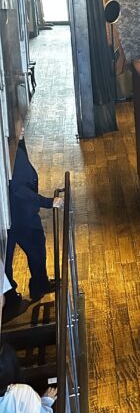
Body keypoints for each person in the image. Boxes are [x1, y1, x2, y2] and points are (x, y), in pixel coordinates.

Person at [3, 130, 62, 317]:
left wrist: (20, 142)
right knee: (35, 248)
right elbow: (19, 187)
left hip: (10, 213)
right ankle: (35, 287)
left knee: (5, 258)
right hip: (20, 214)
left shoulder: (9, 148)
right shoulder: (5, 149)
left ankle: (11, 296)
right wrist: (47, 202)